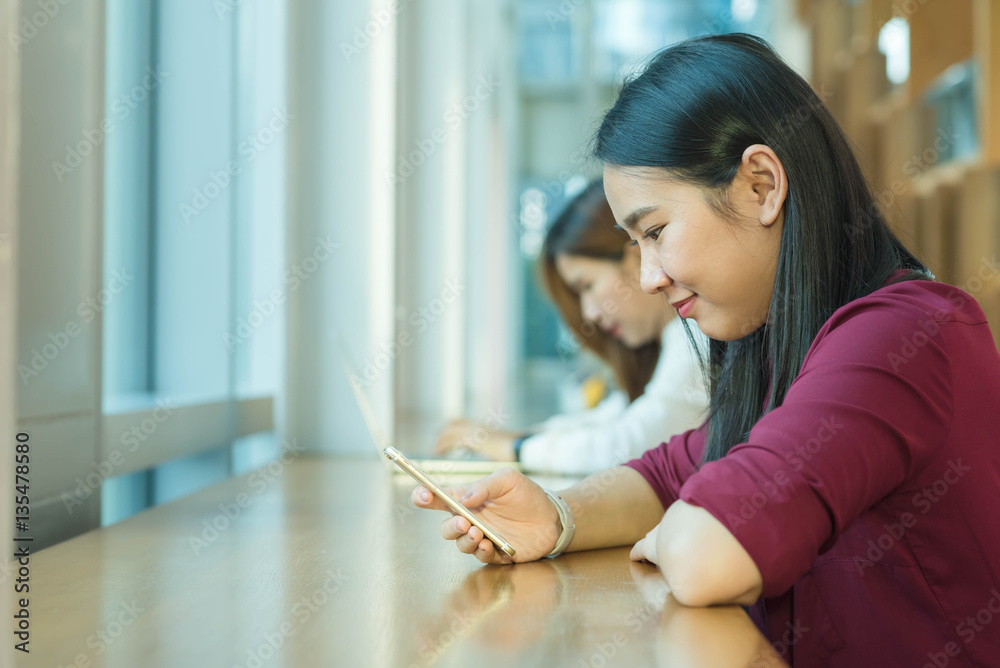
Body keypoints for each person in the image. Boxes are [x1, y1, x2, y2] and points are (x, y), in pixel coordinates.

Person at [412, 34, 1000, 667]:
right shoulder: (783, 347)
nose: (648, 277)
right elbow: (671, 471)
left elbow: (711, 554)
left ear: (761, 186)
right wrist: (558, 517)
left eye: (657, 232)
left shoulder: (899, 340)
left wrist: (684, 529)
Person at [435, 180, 710, 475]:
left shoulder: (695, 335)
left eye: (587, 285)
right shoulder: (672, 340)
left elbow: (629, 443)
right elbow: (615, 418)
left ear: (635, 256)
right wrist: (517, 439)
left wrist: (517, 449)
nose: (589, 314)